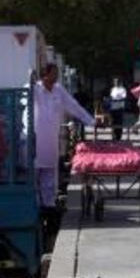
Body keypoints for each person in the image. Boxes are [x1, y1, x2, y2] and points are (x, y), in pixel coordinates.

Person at [33, 64, 95, 208]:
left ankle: (48, 207)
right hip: (35, 142)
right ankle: (35, 207)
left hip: (51, 142)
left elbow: (74, 106)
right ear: (45, 75)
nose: (57, 77)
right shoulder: (34, 89)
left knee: (49, 177)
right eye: (54, 73)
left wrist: (91, 121)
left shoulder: (58, 90)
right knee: (34, 177)